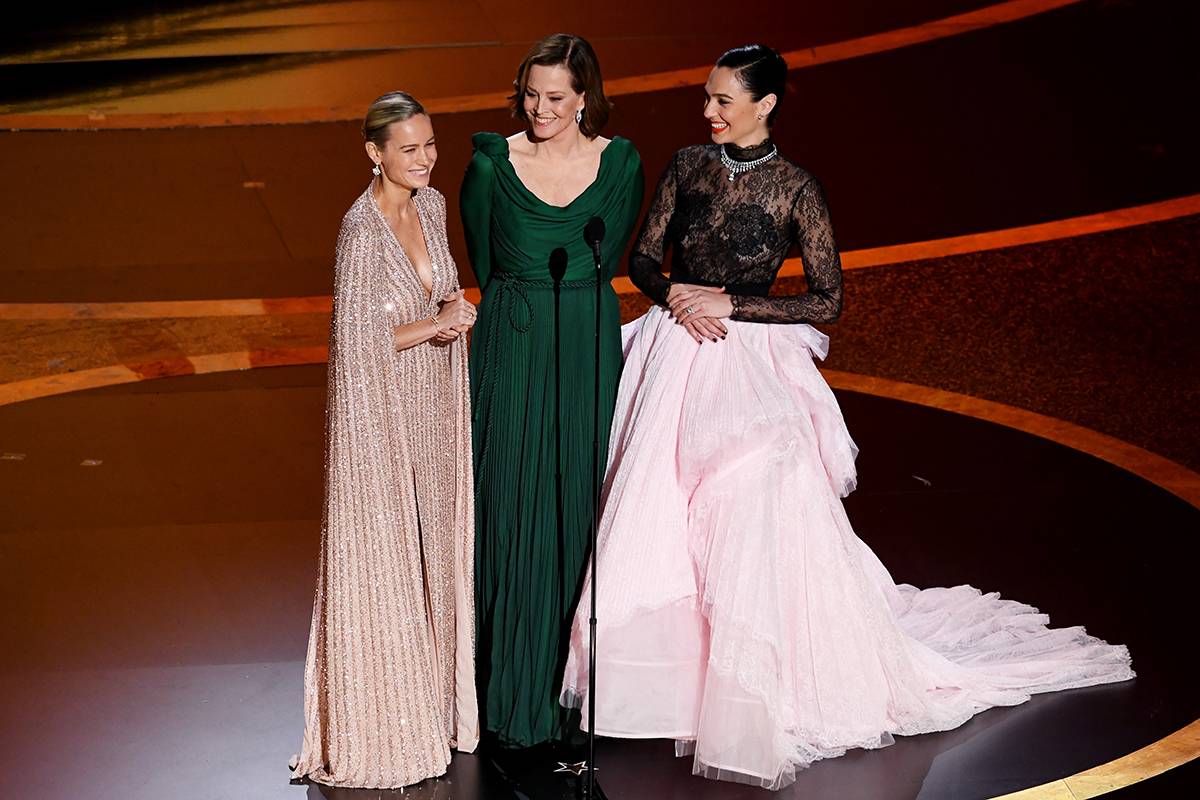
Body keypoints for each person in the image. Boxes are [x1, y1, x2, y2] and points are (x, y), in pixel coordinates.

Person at [560, 45, 1134, 790]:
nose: (708, 112)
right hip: (674, 353)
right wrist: (674, 294)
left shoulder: (798, 189)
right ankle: (668, 691)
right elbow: (641, 258)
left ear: (765, 105)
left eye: (723, 101)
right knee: (655, 520)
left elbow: (826, 299)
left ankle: (753, 688)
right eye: (706, 98)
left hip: (750, 359)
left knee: (753, 514)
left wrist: (730, 303)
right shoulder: (685, 166)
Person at [460, 33, 644, 749]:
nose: (540, 109)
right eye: (531, 94)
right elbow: (482, 258)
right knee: (506, 498)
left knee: (575, 499)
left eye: (557, 97)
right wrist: (523, 302)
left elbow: (614, 250)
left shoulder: (620, 163)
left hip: (585, 341)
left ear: (585, 98)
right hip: (513, 335)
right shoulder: (491, 164)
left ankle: (566, 689)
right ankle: (499, 688)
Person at [290, 91, 479, 789]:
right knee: (389, 551)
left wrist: (453, 311)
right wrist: (435, 325)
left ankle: (433, 703)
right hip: (383, 416)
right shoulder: (361, 233)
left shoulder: (430, 208)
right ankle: (386, 717)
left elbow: (437, 294)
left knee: (433, 542)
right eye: (410, 148)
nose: (426, 159)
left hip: (433, 405)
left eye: (431, 145)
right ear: (375, 153)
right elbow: (356, 344)